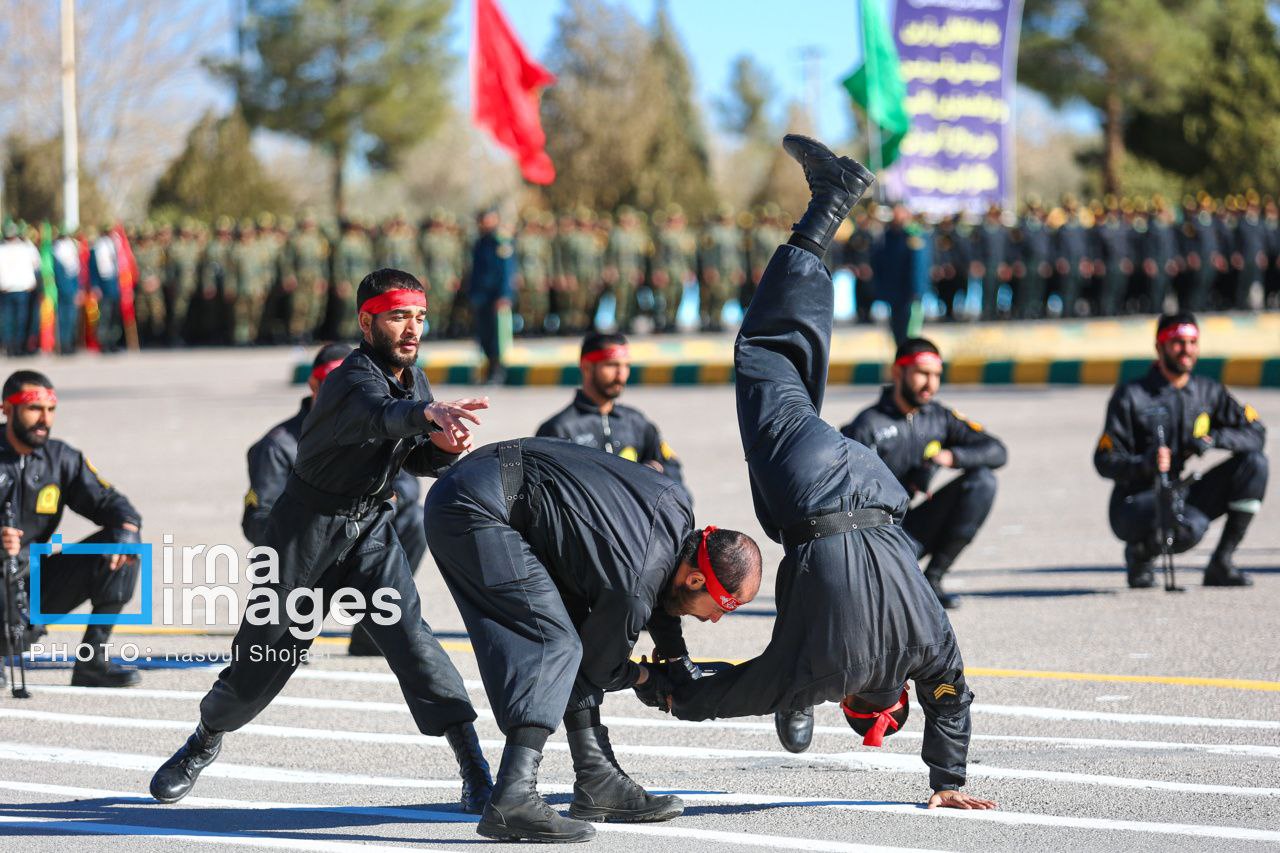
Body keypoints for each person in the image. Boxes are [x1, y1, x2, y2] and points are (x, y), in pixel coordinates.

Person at [666, 135, 995, 814]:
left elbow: (953, 695)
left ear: (899, 692)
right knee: (762, 354)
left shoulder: (925, 642)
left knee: (791, 382)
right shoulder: (827, 669)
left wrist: (950, 778)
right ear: (850, 702)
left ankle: (830, 206)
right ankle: (830, 200)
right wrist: (661, 686)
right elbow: (734, 691)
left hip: (870, 483)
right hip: (810, 490)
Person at [149, 268, 494, 812]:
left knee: (413, 641)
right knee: (261, 661)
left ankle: (472, 764)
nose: (413, 329)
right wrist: (424, 413)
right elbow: (380, 417)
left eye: (420, 318)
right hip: (304, 535)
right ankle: (204, 740)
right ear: (367, 320)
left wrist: (446, 445)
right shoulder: (348, 379)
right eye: (400, 316)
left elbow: (412, 451)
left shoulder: (412, 380)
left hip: (369, 532)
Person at [424, 438, 762, 842]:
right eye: (724, 605)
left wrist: (677, 659)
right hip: (474, 509)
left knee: (572, 630)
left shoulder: (674, 512)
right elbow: (602, 666)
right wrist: (646, 679)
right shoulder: (635, 585)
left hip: (500, 491)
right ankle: (513, 795)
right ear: (696, 579)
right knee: (554, 643)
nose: (717, 619)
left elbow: (657, 590)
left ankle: (596, 777)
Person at [242, 343, 428, 656]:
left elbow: (408, 485)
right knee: (271, 659)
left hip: (365, 538)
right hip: (307, 548)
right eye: (334, 385)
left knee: (415, 520)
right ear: (314, 386)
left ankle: (374, 628)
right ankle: (283, 632)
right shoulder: (277, 446)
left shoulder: (378, 427)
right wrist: (304, 529)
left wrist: (374, 505)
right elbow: (257, 518)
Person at [1094, 312, 1267, 588]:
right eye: (1177, 342)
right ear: (1159, 347)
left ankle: (1222, 562)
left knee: (1255, 465)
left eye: (1192, 342)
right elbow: (1104, 460)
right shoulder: (1131, 395)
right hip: (1135, 502)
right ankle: (1141, 553)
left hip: (1178, 490)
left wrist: (1215, 439)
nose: (1186, 349)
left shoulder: (1207, 391)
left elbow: (1256, 433)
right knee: (1190, 525)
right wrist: (1145, 463)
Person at [0, 370, 143, 688]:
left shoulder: (61, 459)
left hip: (28, 580)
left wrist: (127, 531)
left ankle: (92, 662)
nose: (44, 419)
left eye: (50, 410)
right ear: (7, 410)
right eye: (34, 408)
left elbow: (112, 503)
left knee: (122, 545)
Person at [841, 338, 1006, 610]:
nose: (931, 384)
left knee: (982, 481)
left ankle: (933, 580)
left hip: (910, 533)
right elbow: (847, 499)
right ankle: (885, 585)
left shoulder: (938, 417)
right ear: (897, 372)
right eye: (922, 374)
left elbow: (997, 450)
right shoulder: (868, 425)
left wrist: (951, 457)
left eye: (937, 375)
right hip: (873, 540)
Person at [535, 333, 684, 487]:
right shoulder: (559, 430)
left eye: (626, 366)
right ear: (587, 367)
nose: (621, 375)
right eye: (612, 365)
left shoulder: (636, 422)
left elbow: (672, 472)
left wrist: (650, 475)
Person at [469, 210, 515, 384]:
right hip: (481, 296)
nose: (484, 223)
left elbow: (507, 271)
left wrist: (505, 295)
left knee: (497, 336)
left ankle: (498, 371)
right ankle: (488, 368)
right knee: (484, 334)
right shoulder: (480, 242)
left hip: (496, 297)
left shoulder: (501, 242)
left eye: (487, 219)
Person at [0, 222, 41, 356]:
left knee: (17, 320)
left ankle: (17, 347)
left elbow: (33, 267)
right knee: (11, 321)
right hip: (10, 289)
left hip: (19, 289)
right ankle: (13, 347)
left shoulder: (24, 248)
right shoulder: (22, 248)